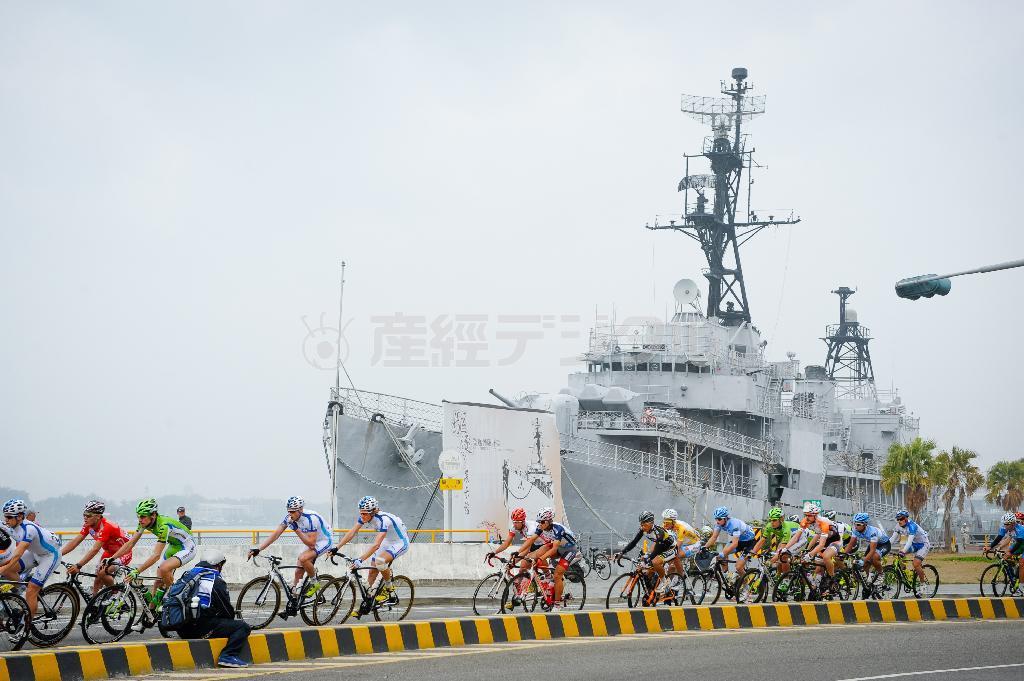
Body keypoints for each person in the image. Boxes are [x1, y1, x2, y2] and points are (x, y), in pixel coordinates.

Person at [105, 498, 196, 607]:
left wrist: (137, 571)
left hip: (187, 546)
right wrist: (113, 558)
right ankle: (151, 610)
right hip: (173, 546)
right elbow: (130, 543)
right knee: (158, 580)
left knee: (164, 568)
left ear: (153, 515)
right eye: (138, 516)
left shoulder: (164, 526)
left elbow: (156, 555)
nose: (140, 519)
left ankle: (175, 599)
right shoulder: (143, 523)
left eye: (143, 516)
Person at [173, 550, 251, 669]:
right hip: (199, 630)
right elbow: (226, 608)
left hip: (181, 629)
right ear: (218, 564)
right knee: (242, 627)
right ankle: (227, 656)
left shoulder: (189, 574)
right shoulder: (215, 579)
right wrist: (229, 620)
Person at [249, 496, 334, 599]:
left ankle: (315, 582)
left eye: (293, 512)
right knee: (298, 570)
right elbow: (276, 534)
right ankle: (294, 600)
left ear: (301, 510)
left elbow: (311, 544)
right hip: (311, 539)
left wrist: (296, 529)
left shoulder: (311, 519)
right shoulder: (289, 518)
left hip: (324, 540)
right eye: (289, 511)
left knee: (303, 558)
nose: (290, 514)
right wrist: (259, 548)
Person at [330, 496, 406, 604]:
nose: (362, 516)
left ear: (373, 512)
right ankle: (368, 601)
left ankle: (389, 588)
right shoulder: (365, 517)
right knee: (372, 571)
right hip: (387, 541)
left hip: (399, 542)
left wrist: (360, 560)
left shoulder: (384, 520)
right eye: (361, 513)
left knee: (380, 561)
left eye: (365, 513)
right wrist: (336, 548)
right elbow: (352, 532)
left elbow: (376, 545)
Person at [0, 499, 62, 621]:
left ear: (19, 517)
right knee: (8, 571)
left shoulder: (29, 529)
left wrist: (2, 569)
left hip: (49, 556)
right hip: (34, 553)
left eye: (8, 516)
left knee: (32, 589)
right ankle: (22, 592)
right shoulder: (10, 524)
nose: (6, 519)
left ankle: (26, 626)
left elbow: (18, 554)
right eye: (4, 516)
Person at [59, 500, 132, 595]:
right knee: (97, 578)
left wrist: (78, 565)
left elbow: (95, 549)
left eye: (88, 515)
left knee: (103, 573)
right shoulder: (88, 525)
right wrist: (58, 554)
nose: (85, 518)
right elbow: (75, 541)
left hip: (124, 553)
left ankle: (115, 596)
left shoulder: (107, 527)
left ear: (98, 516)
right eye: (84, 514)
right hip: (109, 553)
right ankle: (94, 603)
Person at [516, 507, 581, 611]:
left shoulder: (558, 529)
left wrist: (541, 558)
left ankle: (557, 604)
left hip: (569, 550)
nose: (540, 524)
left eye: (542, 522)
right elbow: (531, 539)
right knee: (542, 549)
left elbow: (554, 549)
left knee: (557, 575)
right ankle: (548, 578)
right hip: (558, 547)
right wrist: (518, 552)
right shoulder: (541, 527)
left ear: (549, 521)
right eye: (538, 522)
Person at [616, 511, 677, 596]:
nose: (642, 527)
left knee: (655, 562)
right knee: (647, 572)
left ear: (651, 523)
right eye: (641, 524)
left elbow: (656, 550)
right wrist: (622, 552)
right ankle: (651, 593)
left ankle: (666, 584)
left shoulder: (659, 532)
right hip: (660, 547)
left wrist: (648, 558)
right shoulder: (643, 530)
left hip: (671, 548)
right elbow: (633, 542)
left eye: (644, 525)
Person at [703, 506, 756, 581]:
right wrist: (704, 547)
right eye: (716, 519)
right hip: (739, 541)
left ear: (725, 518)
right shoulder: (719, 524)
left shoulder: (734, 524)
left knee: (738, 567)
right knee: (722, 555)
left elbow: (734, 544)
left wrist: (723, 554)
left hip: (749, 543)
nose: (717, 521)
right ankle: (726, 576)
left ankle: (747, 585)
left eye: (719, 519)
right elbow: (714, 537)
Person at [843, 512, 891, 585]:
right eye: (854, 523)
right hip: (873, 544)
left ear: (865, 524)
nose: (856, 526)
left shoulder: (872, 532)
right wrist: (843, 555)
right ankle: (869, 584)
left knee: (874, 557)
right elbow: (851, 544)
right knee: (865, 565)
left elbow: (872, 550)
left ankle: (881, 574)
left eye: (858, 524)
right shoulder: (855, 530)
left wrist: (863, 560)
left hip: (884, 544)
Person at [888, 509, 930, 583]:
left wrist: (903, 551)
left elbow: (909, 541)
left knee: (916, 564)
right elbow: (892, 539)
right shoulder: (898, 526)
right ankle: (904, 575)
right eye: (897, 519)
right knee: (899, 555)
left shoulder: (912, 526)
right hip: (914, 544)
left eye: (901, 519)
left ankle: (923, 584)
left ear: (906, 519)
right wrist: (885, 546)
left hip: (923, 544)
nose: (899, 521)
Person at [660, 508, 700, 579]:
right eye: (664, 521)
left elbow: (677, 547)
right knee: (670, 564)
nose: (665, 524)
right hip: (683, 543)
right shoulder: (665, 525)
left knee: (675, 556)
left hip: (694, 544)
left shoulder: (681, 528)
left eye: (667, 522)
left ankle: (681, 577)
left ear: (673, 522)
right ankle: (668, 583)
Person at [986, 512, 1024, 587]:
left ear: (1013, 523)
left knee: (1022, 563)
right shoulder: (1005, 527)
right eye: (1004, 524)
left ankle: (1021, 585)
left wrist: (1010, 552)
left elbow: (1019, 543)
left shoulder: (1020, 529)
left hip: (1021, 543)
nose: (1005, 526)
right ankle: (1014, 577)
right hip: (1018, 543)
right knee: (1004, 556)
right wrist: (990, 547)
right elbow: (999, 537)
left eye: (1007, 524)